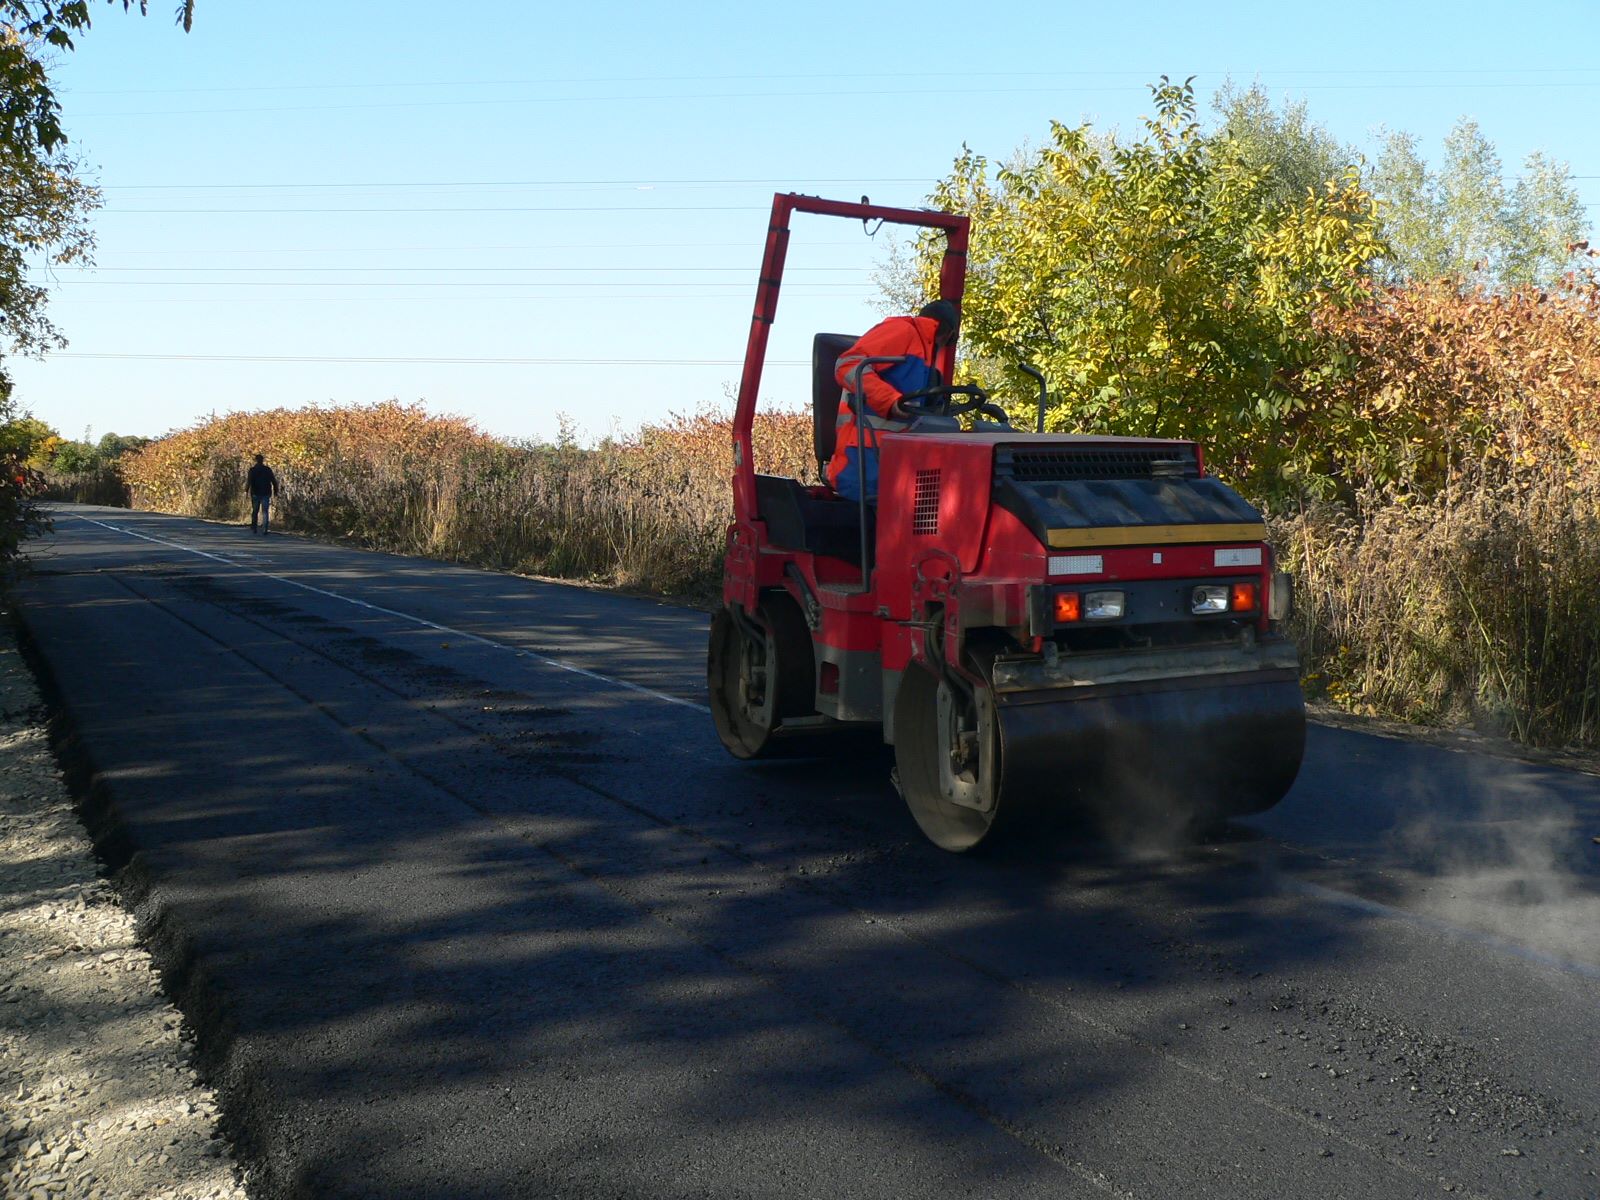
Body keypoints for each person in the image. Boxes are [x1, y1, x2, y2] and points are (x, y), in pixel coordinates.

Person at [827, 299, 959, 502]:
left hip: (897, 465)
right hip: (862, 461)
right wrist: (891, 401)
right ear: (948, 334)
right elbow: (847, 364)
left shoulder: (924, 360)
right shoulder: (902, 331)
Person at [246, 453, 280, 535]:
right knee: (265, 511)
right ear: (262, 460)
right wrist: (276, 491)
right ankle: (265, 528)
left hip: (255, 492)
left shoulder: (252, 470)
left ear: (256, 460)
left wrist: (246, 491)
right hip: (266, 492)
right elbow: (273, 481)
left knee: (255, 510)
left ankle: (254, 526)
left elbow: (249, 481)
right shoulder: (267, 469)